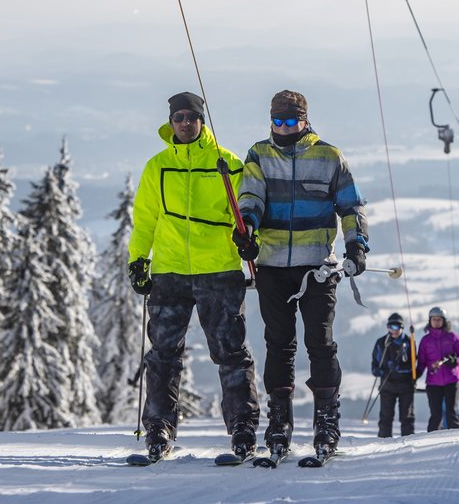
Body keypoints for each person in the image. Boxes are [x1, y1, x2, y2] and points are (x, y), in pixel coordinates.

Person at [234, 89, 369, 457]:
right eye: (277, 121)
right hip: (272, 266)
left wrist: (356, 246)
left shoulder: (329, 156)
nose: (283, 127)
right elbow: (251, 196)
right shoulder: (259, 154)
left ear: (305, 120)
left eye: (291, 120)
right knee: (278, 346)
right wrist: (246, 227)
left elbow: (350, 206)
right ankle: (279, 423)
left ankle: (326, 422)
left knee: (320, 345)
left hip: (317, 269)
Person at [127, 91, 260, 459]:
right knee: (163, 355)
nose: (185, 123)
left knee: (230, 352)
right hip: (169, 273)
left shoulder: (228, 165)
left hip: (218, 270)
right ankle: (158, 429)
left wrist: (251, 243)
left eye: (191, 117)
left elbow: (248, 214)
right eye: (178, 117)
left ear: (202, 120)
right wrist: (138, 260)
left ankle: (243, 430)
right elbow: (145, 219)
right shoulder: (157, 166)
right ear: (171, 123)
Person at [416, 306, 459, 432]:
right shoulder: (425, 340)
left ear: (444, 321)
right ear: (430, 321)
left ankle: (458, 439)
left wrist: (456, 362)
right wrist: (416, 375)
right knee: (436, 415)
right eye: (434, 319)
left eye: (439, 319)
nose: (436, 322)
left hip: (452, 380)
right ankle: (430, 442)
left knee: (451, 412)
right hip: (433, 381)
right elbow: (422, 362)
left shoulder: (452, 337)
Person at [371, 312, 415, 438]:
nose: (393, 330)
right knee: (385, 417)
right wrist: (380, 371)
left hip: (405, 385)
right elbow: (375, 365)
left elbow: (413, 365)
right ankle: (383, 442)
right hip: (387, 385)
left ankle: (408, 441)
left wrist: (399, 369)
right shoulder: (381, 343)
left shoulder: (409, 343)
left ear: (402, 328)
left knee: (407, 417)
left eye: (397, 327)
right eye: (390, 327)